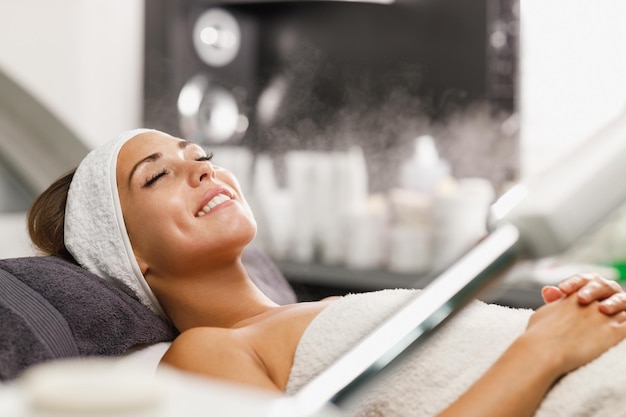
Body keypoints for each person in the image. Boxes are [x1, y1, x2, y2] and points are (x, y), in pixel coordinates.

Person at [27, 128, 626, 417]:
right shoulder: (205, 354)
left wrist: (572, 316)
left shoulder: (313, 312)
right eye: (158, 176)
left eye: (200, 157)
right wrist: (543, 350)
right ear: (131, 256)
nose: (202, 171)